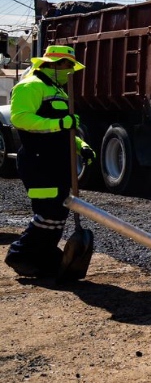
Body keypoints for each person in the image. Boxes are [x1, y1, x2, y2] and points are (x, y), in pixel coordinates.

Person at [4, 45, 95, 278]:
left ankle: (42, 257)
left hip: (57, 163)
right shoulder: (30, 86)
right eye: (67, 65)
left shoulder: (57, 90)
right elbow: (21, 118)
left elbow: (66, 129)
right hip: (39, 163)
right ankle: (20, 254)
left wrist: (80, 146)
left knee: (59, 213)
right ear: (52, 64)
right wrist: (60, 124)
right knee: (48, 213)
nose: (69, 71)